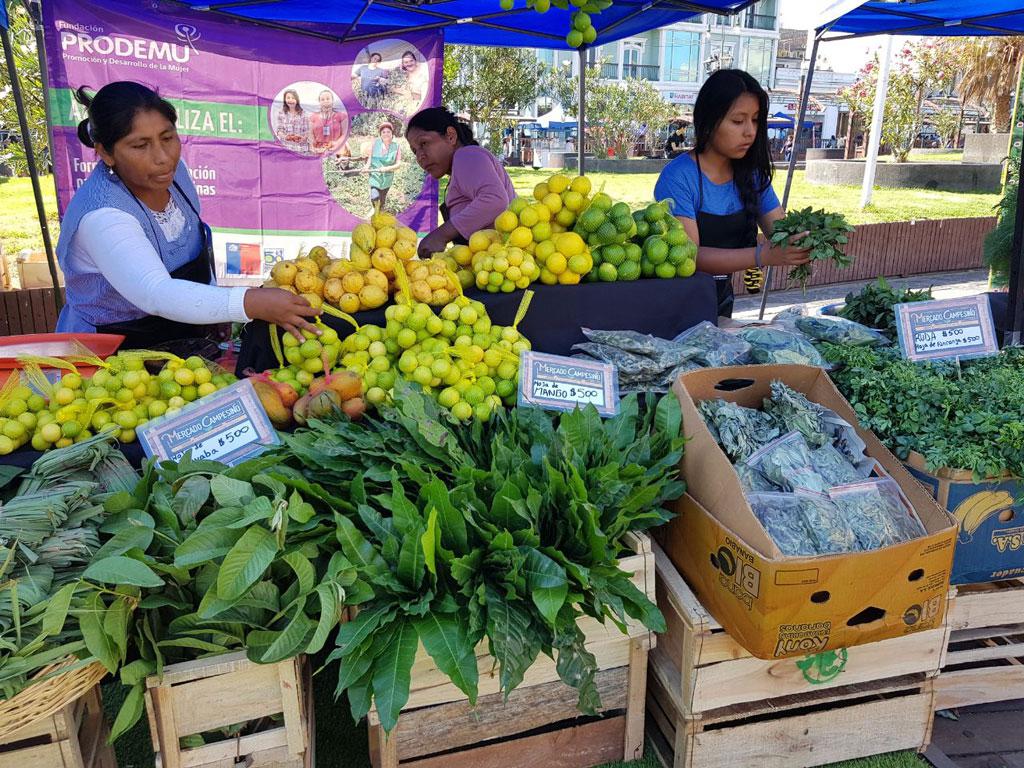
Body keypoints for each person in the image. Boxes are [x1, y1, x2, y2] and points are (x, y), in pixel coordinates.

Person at [56, 81, 318, 348]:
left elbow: (194, 247)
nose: (163, 157)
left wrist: (214, 306)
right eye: (140, 146)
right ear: (105, 153)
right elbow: (155, 292)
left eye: (167, 138)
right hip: (110, 350)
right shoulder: (103, 216)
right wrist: (247, 302)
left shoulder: (173, 174)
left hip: (179, 340)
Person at [653, 69, 811, 318]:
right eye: (738, 121)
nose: (750, 131)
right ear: (709, 121)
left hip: (721, 303)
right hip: (675, 308)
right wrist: (761, 255)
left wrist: (808, 239)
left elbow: (780, 231)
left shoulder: (753, 175)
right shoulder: (678, 177)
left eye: (755, 120)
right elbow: (689, 255)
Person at [406, 107, 515, 258]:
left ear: (450, 136)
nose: (420, 156)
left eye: (424, 143)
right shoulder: (461, 166)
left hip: (504, 262)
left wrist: (440, 235)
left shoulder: (467, 155)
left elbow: (495, 200)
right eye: (414, 151)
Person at [364, 122, 402, 210]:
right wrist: (366, 167)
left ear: (392, 133)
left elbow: (398, 164)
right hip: (375, 176)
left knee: (382, 198)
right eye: (383, 132)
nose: (386, 134)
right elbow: (370, 158)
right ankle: (376, 210)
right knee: (374, 196)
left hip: (387, 178)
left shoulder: (396, 147)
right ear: (380, 134)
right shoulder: (375, 143)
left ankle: (380, 209)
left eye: (388, 132)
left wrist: (387, 168)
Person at [309, 90, 348, 156]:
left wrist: (337, 143)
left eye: (328, 98)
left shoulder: (342, 116)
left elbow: (344, 134)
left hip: (336, 148)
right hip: (318, 150)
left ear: (332, 101)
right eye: (322, 99)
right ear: (319, 102)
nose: (325, 101)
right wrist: (312, 144)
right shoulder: (313, 117)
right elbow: (310, 134)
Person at [274, 89, 309, 154]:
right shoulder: (281, 113)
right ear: (285, 100)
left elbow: (307, 131)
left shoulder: (303, 114)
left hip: (301, 148)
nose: (290, 100)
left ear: (297, 100)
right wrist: (285, 137)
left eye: (293, 98)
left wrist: (303, 138)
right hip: (285, 147)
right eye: (288, 98)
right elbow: (279, 130)